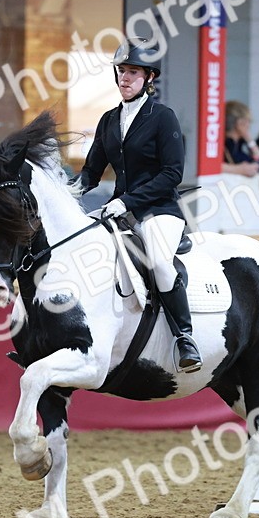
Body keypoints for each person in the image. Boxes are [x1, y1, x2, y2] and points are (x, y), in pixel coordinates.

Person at [71, 41, 201, 373]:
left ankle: (184, 337)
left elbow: (172, 173)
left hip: (159, 210)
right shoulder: (108, 120)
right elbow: (91, 172)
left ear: (149, 77)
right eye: (122, 71)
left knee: (158, 261)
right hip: (120, 210)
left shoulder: (163, 118)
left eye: (133, 72)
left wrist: (126, 201)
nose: (125, 78)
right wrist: (66, 192)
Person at [222, 100, 259, 176]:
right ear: (240, 123)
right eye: (249, 121)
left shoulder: (238, 146)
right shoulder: (227, 147)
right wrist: (238, 169)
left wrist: (249, 140)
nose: (249, 125)